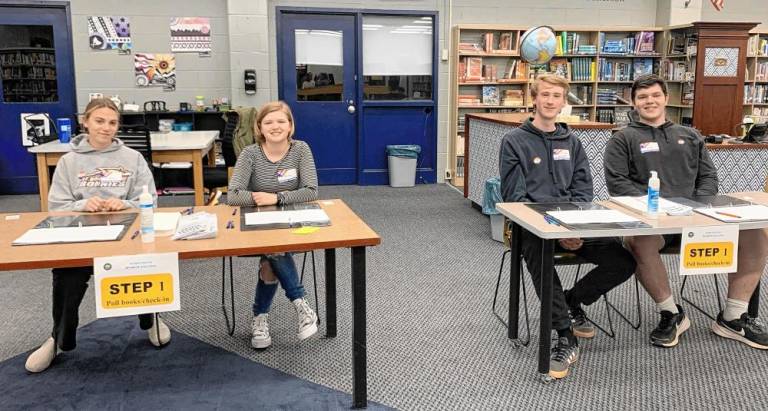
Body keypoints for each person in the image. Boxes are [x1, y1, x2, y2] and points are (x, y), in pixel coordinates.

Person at [605, 74, 768, 349]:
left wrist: (698, 208)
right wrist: (660, 207)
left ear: (666, 99)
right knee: (638, 242)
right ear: (634, 103)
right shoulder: (623, 138)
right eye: (642, 97)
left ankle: (733, 316)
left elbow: (709, 177)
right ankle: (671, 313)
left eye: (655, 95)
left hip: (696, 217)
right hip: (653, 220)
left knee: (756, 232)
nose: (649, 101)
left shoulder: (690, 135)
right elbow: (617, 184)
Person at [499, 74, 636, 379]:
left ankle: (572, 302)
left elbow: (583, 191)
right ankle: (564, 333)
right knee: (542, 258)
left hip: (573, 224)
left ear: (564, 102)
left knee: (623, 260)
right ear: (534, 98)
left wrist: (573, 230)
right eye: (545, 95)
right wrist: (556, 233)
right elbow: (515, 198)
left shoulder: (573, 142)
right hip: (533, 227)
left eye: (556, 96)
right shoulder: (513, 141)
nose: (550, 101)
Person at [25, 98, 171, 373]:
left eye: (112, 122)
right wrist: (83, 203)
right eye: (100, 121)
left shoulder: (133, 158)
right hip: (81, 233)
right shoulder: (69, 161)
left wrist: (126, 203)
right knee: (68, 275)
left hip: (126, 230)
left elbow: (149, 199)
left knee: (145, 262)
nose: (106, 128)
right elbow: (55, 207)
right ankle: (59, 338)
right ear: (86, 122)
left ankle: (150, 318)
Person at [227, 101, 319, 349]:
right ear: (259, 127)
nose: (275, 126)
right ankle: (301, 305)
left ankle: (260, 318)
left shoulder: (300, 150)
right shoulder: (251, 154)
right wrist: (261, 198)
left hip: (294, 223)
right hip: (257, 225)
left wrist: (277, 198)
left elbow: (311, 191)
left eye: (281, 121)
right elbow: (233, 195)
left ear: (290, 126)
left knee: (270, 261)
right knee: (274, 249)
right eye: (268, 122)